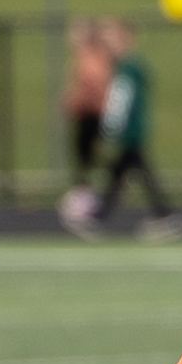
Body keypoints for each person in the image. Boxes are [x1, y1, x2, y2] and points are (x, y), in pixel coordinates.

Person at [84, 17, 182, 244]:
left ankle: (165, 216)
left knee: (133, 171)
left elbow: (120, 103)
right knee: (122, 173)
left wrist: (109, 131)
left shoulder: (128, 68)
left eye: (112, 36)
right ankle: (102, 216)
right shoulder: (125, 66)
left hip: (130, 132)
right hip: (131, 131)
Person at [58, 19, 113, 234]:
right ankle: (87, 199)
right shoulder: (88, 55)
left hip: (91, 115)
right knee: (87, 160)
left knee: (90, 159)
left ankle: (88, 204)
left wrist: (74, 102)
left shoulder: (90, 57)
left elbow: (92, 85)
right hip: (89, 115)